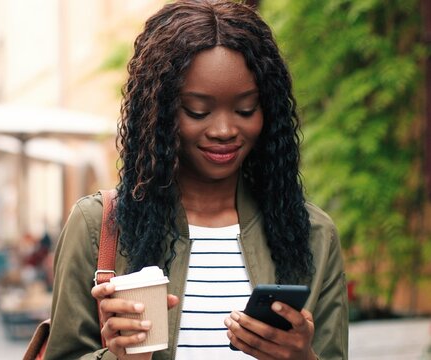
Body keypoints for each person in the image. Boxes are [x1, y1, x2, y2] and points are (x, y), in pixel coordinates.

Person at [45, 1, 348, 359]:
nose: (224, 130)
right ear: (158, 113)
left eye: (246, 109)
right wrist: (120, 357)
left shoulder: (312, 233)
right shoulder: (99, 226)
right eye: (198, 111)